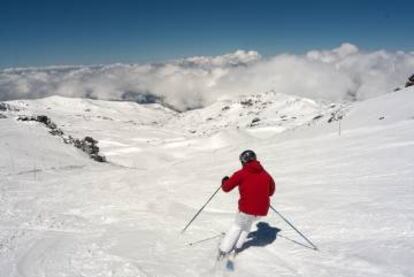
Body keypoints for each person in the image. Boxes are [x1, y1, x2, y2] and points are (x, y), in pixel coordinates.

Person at [218, 150, 276, 260]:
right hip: (261, 210)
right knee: (246, 226)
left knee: (237, 227)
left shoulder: (241, 173)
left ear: (243, 161)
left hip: (246, 209)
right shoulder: (266, 174)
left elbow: (226, 188)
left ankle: (223, 250)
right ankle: (236, 248)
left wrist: (224, 181)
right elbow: (271, 192)